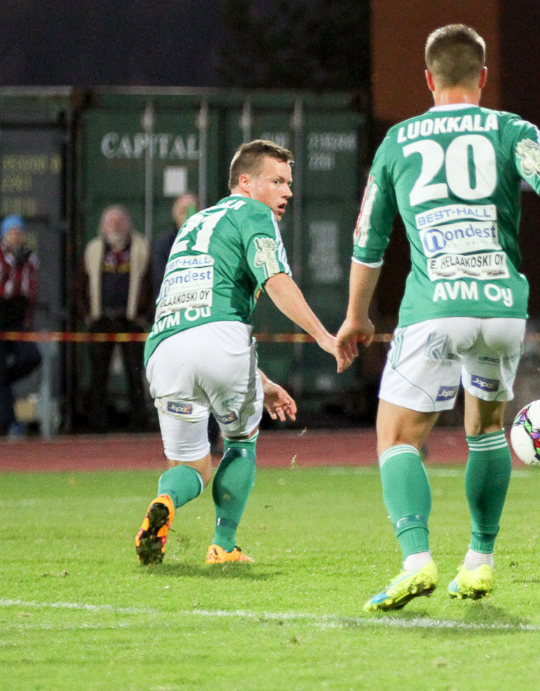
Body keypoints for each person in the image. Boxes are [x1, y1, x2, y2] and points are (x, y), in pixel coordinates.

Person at [338, 23, 540, 611]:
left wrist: (355, 317)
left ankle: (416, 560)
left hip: (435, 307)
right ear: (483, 77)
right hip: (500, 309)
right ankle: (479, 560)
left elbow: (369, 240)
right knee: (486, 430)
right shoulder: (510, 129)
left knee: (397, 436)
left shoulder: (398, 141)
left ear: (428, 79)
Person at [134, 140, 349, 566]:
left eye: (289, 183)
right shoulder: (254, 213)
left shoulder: (194, 224)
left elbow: (199, 316)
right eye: (277, 181)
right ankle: (224, 545)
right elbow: (275, 280)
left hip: (163, 349)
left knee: (191, 468)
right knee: (240, 441)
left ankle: (165, 500)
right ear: (245, 182)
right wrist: (324, 336)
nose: (287, 192)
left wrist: (261, 382)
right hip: (220, 341)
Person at [79, 205, 152, 431]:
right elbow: (79, 285)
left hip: (130, 321)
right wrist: (87, 315)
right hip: (101, 320)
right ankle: (97, 424)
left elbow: (151, 283)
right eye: (111, 222)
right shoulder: (93, 249)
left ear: (128, 224)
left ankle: (138, 423)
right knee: (99, 374)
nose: (115, 226)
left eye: (119, 221)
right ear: (102, 226)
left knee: (135, 373)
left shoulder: (141, 248)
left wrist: (144, 315)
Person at [0, 215, 41, 436]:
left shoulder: (30, 258)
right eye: (11, 232)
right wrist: (15, 268)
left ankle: (3, 381)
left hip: (17, 318)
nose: (15, 236)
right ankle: (8, 422)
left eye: (18, 232)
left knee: (30, 357)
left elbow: (30, 291)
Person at [151, 192, 198, 288]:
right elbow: (161, 278)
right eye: (184, 211)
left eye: (192, 211)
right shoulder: (163, 244)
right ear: (175, 214)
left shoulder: (211, 241)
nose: (189, 216)